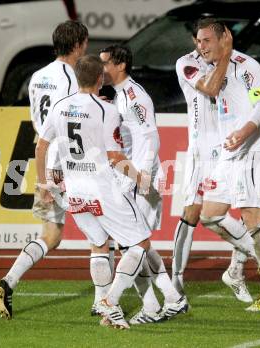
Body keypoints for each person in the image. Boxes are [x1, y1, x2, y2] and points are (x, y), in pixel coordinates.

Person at [36, 54, 179, 329]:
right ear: (100, 78)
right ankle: (110, 301)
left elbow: (41, 147)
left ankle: (155, 301)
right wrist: (139, 177)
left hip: (74, 193)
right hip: (104, 189)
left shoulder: (60, 106)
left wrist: (44, 183)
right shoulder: (106, 110)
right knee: (138, 245)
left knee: (100, 246)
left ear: (78, 77)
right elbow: (114, 155)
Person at [172, 22, 260, 301]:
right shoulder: (191, 63)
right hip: (214, 150)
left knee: (251, 217)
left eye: (207, 40)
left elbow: (255, 102)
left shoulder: (246, 64)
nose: (201, 46)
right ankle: (244, 261)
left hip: (245, 149)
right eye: (199, 41)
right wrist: (224, 56)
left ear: (225, 38)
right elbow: (214, 90)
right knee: (204, 214)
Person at [0, 20, 88, 320]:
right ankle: (108, 300)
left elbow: (39, 122)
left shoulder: (36, 76)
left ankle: (9, 280)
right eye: (84, 42)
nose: (86, 48)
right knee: (106, 227)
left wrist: (45, 177)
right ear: (77, 45)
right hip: (66, 164)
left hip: (44, 160)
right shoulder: (71, 79)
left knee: (51, 235)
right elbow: (69, 122)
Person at [99, 45, 188, 324]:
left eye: (105, 64)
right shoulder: (120, 98)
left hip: (138, 178)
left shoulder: (135, 97)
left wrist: (142, 177)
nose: (101, 69)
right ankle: (170, 300)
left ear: (121, 65)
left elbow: (150, 137)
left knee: (134, 246)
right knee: (138, 246)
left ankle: (139, 304)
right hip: (129, 178)